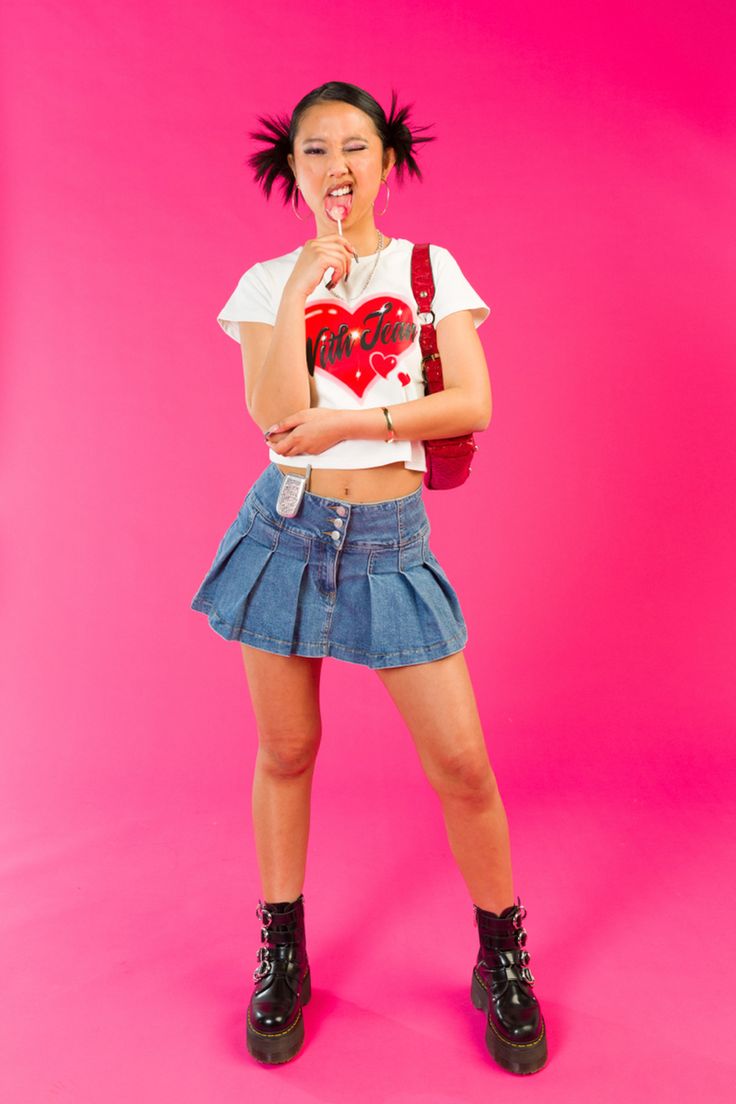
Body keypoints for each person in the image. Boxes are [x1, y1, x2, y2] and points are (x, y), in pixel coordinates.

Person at [190, 81, 548, 1076]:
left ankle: (500, 952)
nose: (336, 165)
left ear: (387, 159)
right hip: (288, 533)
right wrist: (307, 278)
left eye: (355, 146)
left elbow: (470, 397)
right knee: (288, 750)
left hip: (390, 536)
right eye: (315, 150)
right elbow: (268, 413)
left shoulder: (429, 270)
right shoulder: (269, 282)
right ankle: (282, 947)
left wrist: (355, 421)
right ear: (291, 170)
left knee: (463, 767)